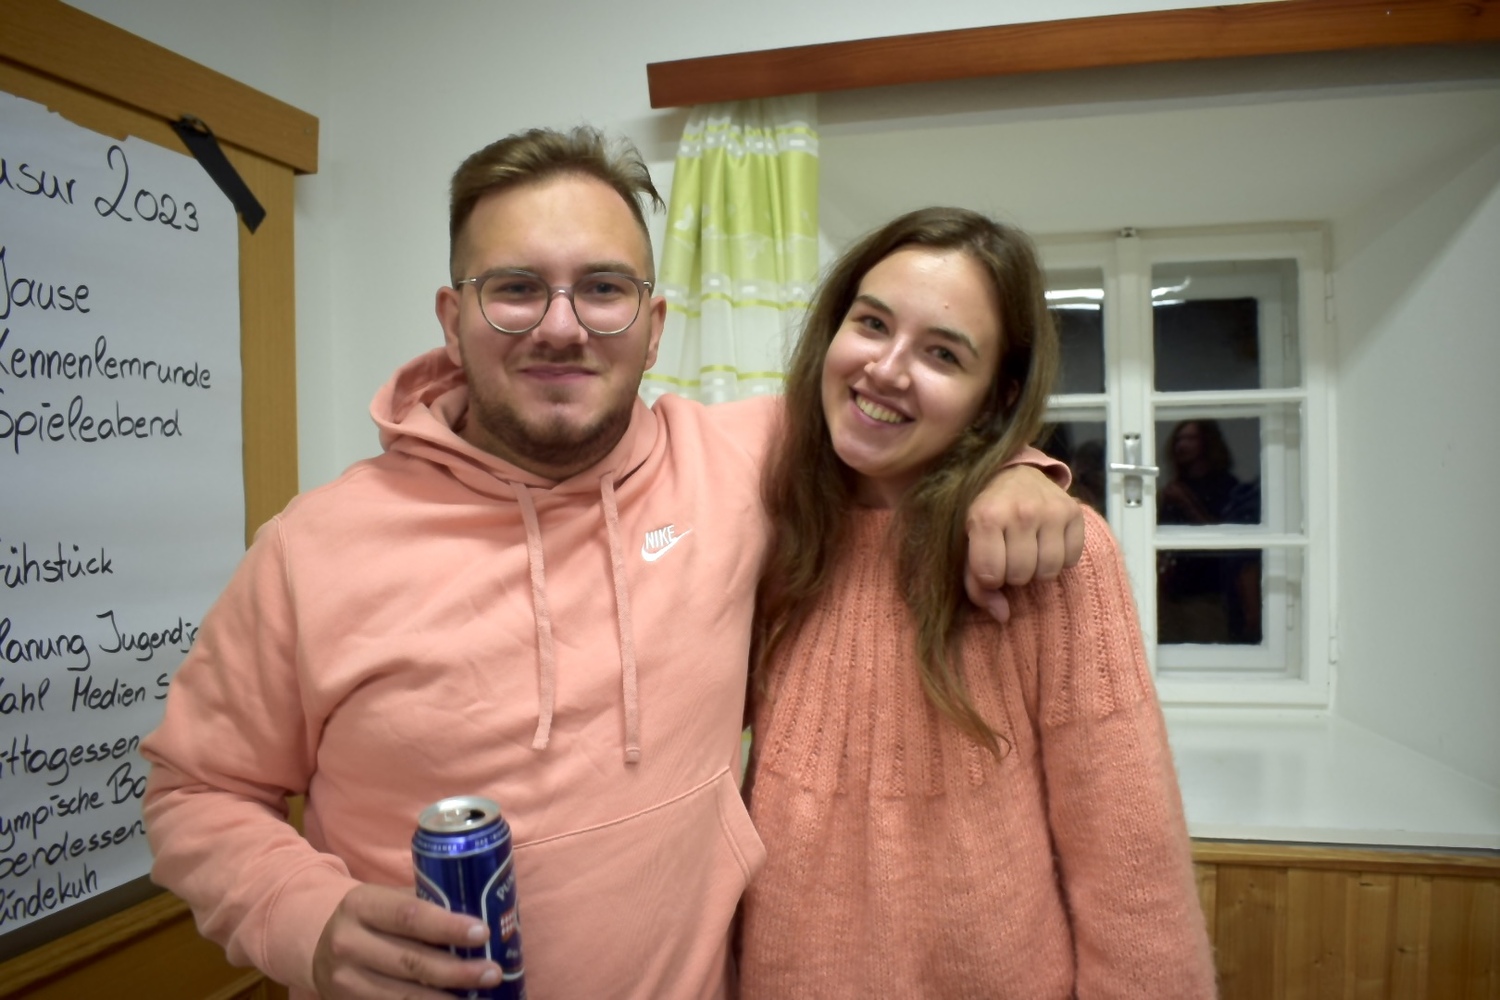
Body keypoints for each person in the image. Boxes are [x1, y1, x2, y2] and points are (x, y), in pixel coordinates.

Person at [139, 128, 1083, 1000]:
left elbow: (898, 422)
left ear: (654, 323)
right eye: (516, 288)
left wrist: (1017, 476)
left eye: (602, 289)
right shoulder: (311, 550)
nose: (561, 326)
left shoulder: (744, 463)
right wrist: (306, 919)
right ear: (452, 318)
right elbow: (197, 793)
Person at [739, 208, 1217, 998]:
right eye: (872, 323)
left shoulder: (1051, 560)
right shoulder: (766, 522)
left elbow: (1132, 872)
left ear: (995, 400)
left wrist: (1022, 468)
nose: (887, 369)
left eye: (942, 353)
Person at [1157, 418, 1262, 644]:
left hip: (1209, 595)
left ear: (1207, 443)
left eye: (1190, 439)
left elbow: (1224, 538)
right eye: (1178, 439)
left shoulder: (1227, 487)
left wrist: (1186, 502)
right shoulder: (1174, 487)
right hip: (1172, 595)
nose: (1182, 445)